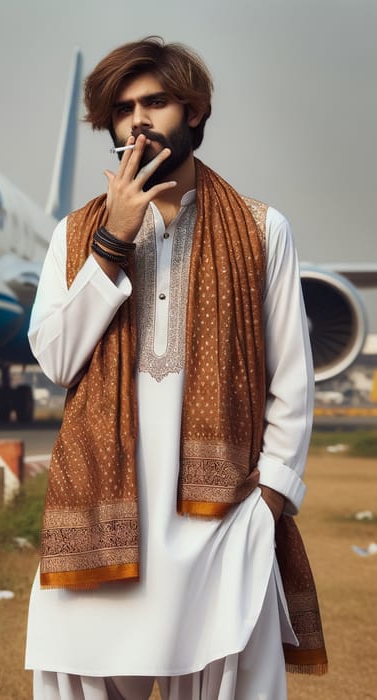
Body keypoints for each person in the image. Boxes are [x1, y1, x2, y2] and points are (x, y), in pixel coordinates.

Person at [24, 36, 327, 700]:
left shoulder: (261, 229)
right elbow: (54, 357)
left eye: (155, 102)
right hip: (103, 525)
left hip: (218, 526)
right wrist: (113, 241)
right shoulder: (75, 236)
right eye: (124, 108)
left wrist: (267, 505)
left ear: (194, 111)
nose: (139, 119)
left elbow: (292, 385)